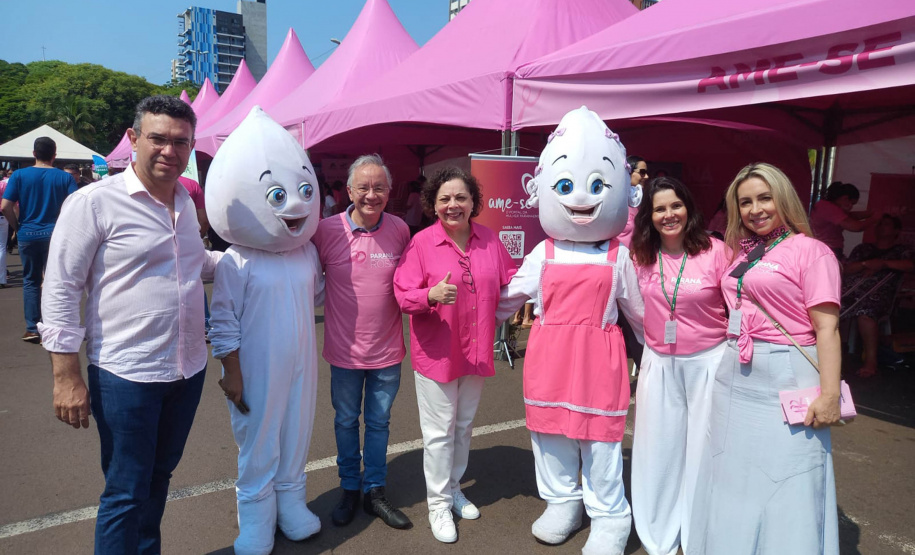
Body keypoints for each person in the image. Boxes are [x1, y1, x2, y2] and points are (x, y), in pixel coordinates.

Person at [38, 95, 218, 554]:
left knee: (159, 478)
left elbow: (195, 264)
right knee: (125, 490)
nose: (169, 150)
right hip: (126, 374)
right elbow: (60, 288)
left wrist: (261, 257)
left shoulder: (185, 202)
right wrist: (65, 376)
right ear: (134, 139)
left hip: (187, 369)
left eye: (181, 142)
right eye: (158, 138)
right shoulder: (94, 203)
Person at [497, 107, 643, 555]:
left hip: (600, 357)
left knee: (600, 440)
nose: (581, 197)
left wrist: (660, 353)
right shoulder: (543, 253)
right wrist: (467, 302)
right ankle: (562, 501)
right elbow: (506, 299)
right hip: (550, 355)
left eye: (598, 186)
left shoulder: (618, 256)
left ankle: (609, 516)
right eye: (565, 186)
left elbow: (639, 313)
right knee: (551, 433)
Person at [688, 163, 842, 555]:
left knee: (790, 477)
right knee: (730, 472)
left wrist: (829, 396)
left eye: (764, 198)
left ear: (783, 198)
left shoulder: (812, 251)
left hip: (787, 373)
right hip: (735, 372)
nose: (755, 209)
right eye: (745, 202)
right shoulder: (744, 251)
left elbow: (827, 328)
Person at [206, 107, 324, 555]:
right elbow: (223, 321)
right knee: (258, 438)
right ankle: (255, 516)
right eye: (277, 195)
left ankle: (290, 502)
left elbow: (316, 296)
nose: (296, 205)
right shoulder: (237, 260)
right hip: (256, 365)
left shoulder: (305, 253)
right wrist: (231, 371)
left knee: (296, 430)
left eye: (303, 192)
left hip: (301, 361)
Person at [393, 167, 516, 544]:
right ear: (433, 204)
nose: (453, 205)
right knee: (439, 433)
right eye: (444, 198)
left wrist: (504, 311)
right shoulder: (422, 243)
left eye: (461, 197)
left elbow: (512, 281)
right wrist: (428, 295)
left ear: (473, 202)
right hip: (437, 355)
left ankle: (453, 488)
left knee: (462, 426)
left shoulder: (490, 240)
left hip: (475, 351)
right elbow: (402, 295)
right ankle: (438, 504)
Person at [628, 177, 731, 555]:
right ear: (649, 216)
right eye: (659, 208)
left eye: (676, 206)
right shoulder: (639, 255)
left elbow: (739, 306)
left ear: (689, 208)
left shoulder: (717, 251)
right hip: (659, 362)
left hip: (709, 362)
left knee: (705, 451)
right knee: (658, 451)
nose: (669, 214)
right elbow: (633, 308)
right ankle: (659, 537)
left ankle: (701, 533)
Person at [312, 154, 413, 530]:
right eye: (364, 187)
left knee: (379, 423)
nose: (372, 195)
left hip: (387, 351)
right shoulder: (326, 231)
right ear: (349, 190)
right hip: (344, 353)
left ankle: (375, 491)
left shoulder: (400, 229)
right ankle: (349, 488)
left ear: (389, 191)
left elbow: (410, 282)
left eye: (379, 188)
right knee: (344, 421)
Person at [1, 136, 78, 343]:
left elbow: (5, 206)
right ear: (54, 155)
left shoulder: (19, 175)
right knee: (57, 281)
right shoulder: (65, 178)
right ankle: (57, 325)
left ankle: (32, 328)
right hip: (56, 235)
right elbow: (76, 206)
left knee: (31, 281)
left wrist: (17, 227)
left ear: (34, 153)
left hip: (28, 234)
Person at [842, 215, 913, 378]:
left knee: (866, 311)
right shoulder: (863, 248)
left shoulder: (902, 251)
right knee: (828, 308)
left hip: (879, 294)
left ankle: (871, 363)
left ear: (896, 231)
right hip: (852, 291)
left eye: (886, 224)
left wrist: (884, 264)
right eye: (879, 224)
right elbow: (846, 269)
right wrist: (865, 264)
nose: (880, 226)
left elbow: (911, 265)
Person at [810, 181, 881, 259]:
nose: (851, 207)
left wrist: (868, 213)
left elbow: (850, 216)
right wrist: (874, 218)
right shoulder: (829, 208)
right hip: (826, 250)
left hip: (824, 249)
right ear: (845, 198)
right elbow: (855, 227)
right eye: (851, 203)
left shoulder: (825, 206)